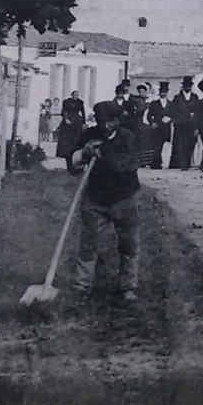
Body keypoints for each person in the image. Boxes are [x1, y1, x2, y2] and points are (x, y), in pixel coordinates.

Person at [69, 100, 142, 302]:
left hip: (125, 197)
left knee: (129, 243)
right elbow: (72, 164)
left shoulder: (127, 137)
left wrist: (101, 153)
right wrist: (84, 153)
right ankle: (81, 286)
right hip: (95, 198)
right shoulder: (88, 136)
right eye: (101, 121)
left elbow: (121, 166)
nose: (104, 126)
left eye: (110, 121)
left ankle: (128, 287)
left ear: (118, 121)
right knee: (88, 242)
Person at [169, 76, 198, 171]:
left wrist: (194, 115)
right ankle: (180, 164)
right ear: (183, 87)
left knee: (190, 143)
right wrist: (178, 118)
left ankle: (188, 162)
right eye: (186, 86)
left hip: (191, 124)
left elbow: (198, 110)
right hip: (180, 124)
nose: (187, 88)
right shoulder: (177, 98)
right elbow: (173, 110)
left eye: (189, 86)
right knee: (180, 144)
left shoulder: (195, 97)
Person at [145, 81, 173, 169]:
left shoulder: (170, 104)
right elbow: (149, 115)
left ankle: (160, 161)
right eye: (162, 92)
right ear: (159, 92)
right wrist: (152, 123)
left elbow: (175, 114)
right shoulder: (154, 103)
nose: (163, 94)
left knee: (163, 145)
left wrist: (170, 119)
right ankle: (156, 163)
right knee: (157, 145)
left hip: (166, 127)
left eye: (165, 92)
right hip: (157, 127)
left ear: (167, 92)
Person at [55, 90, 86, 164]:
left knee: (75, 137)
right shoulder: (67, 102)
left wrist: (83, 123)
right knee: (65, 137)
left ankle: (74, 152)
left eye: (77, 95)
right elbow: (63, 112)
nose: (76, 96)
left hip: (77, 121)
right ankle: (63, 153)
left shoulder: (80, 102)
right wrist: (66, 119)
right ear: (72, 95)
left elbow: (83, 113)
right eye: (75, 95)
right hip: (68, 120)